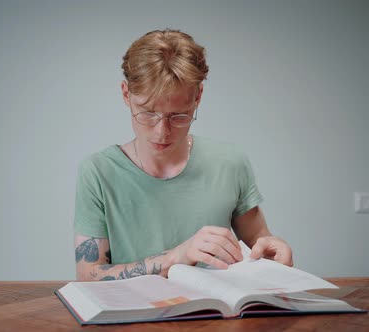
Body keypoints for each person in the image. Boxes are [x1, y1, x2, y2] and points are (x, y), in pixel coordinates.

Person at [74, 29, 293, 281]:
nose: (161, 132)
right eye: (147, 113)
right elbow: (87, 276)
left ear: (198, 97)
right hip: (132, 319)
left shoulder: (230, 163)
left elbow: (260, 241)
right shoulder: (98, 172)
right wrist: (175, 258)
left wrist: (274, 252)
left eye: (178, 116)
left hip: (217, 316)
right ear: (126, 95)